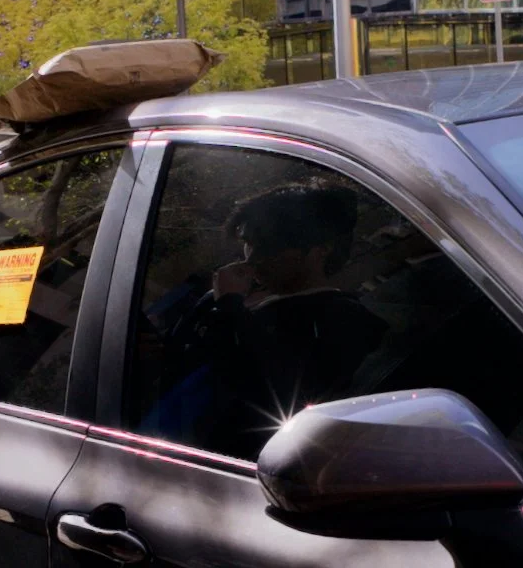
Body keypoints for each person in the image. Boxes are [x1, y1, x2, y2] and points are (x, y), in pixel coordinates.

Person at [155, 183, 387, 459]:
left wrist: (231, 309)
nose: (253, 258)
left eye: (270, 246)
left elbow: (276, 397)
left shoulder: (343, 321)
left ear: (319, 251)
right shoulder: (226, 296)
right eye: (248, 243)